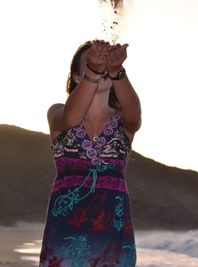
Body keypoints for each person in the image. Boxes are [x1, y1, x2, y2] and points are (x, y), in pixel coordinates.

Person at [39, 39, 141, 266]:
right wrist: (94, 71)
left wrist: (118, 71)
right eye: (93, 60)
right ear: (77, 76)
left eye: (105, 61)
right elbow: (72, 118)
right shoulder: (57, 113)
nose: (101, 63)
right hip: (64, 235)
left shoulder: (123, 121)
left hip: (113, 236)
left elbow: (135, 117)